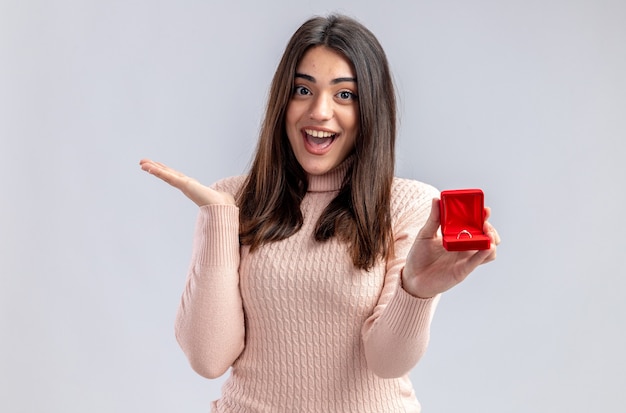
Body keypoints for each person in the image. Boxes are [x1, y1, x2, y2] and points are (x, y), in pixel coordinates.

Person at [140, 14, 500, 413]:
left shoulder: (408, 204)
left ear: (371, 111)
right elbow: (207, 358)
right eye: (302, 89)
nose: (320, 112)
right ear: (283, 99)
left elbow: (387, 362)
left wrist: (415, 289)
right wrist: (220, 217)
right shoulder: (231, 200)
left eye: (345, 95)